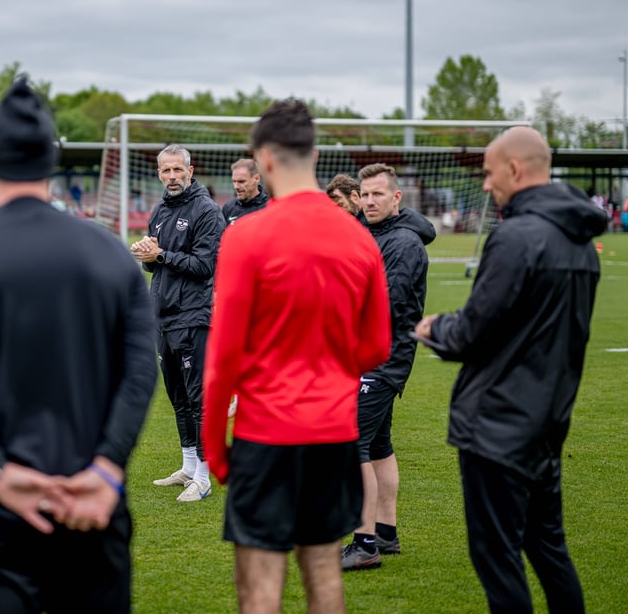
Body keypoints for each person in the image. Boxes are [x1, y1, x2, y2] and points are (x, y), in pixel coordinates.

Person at [0, 77, 156, 614]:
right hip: (92, 499)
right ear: (51, 161)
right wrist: (106, 470)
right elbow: (140, 372)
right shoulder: (110, 253)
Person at [202, 99, 392, 614]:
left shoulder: (247, 236)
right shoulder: (360, 238)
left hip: (266, 436)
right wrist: (327, 369)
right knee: (324, 577)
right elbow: (377, 346)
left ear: (264, 159)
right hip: (333, 435)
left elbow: (222, 358)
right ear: (314, 155)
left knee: (261, 591)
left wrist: (216, 451)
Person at [414, 126, 604, 614]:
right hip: (546, 420)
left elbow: (474, 330)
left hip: (497, 424)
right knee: (548, 547)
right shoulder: (581, 242)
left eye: (489, 172)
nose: (485, 184)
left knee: (497, 556)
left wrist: (436, 327)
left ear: (515, 169)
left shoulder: (517, 237)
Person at [341, 163, 436, 571]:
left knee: (352, 445)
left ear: (397, 197)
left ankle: (364, 545)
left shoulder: (403, 243)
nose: (370, 201)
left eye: (378, 194)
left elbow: (388, 305)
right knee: (378, 445)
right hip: (363, 355)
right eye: (365, 194)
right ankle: (385, 533)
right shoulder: (366, 232)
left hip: (382, 357)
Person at [131, 144, 225, 503]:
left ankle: (203, 476)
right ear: (159, 174)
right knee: (178, 397)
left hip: (194, 315)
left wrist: (161, 255)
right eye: (166, 171)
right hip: (163, 315)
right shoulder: (159, 210)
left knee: (199, 398)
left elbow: (205, 266)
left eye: (177, 170)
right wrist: (148, 256)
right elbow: (157, 264)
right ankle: (188, 466)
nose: (172, 177)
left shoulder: (206, 210)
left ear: (190, 170)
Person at [221, 157, 270, 225]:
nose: (236, 187)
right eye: (234, 181)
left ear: (256, 178)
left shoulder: (269, 207)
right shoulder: (229, 207)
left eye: (241, 182)